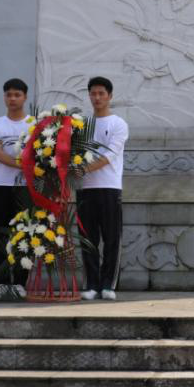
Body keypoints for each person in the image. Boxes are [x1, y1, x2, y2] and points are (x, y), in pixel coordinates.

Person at [76, 76, 129, 300]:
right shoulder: (82, 126)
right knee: (88, 239)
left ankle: (108, 285)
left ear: (110, 96)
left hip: (109, 187)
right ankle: (92, 285)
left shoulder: (118, 124)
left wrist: (83, 169)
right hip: (85, 189)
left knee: (111, 238)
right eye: (93, 93)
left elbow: (109, 155)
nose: (97, 98)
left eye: (101, 94)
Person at [0, 78, 31, 301]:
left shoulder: (34, 125)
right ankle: (2, 283)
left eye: (17, 95)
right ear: (4, 97)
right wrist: (24, 165)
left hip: (25, 189)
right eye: (9, 95)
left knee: (25, 237)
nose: (12, 99)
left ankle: (20, 283)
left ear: (25, 97)